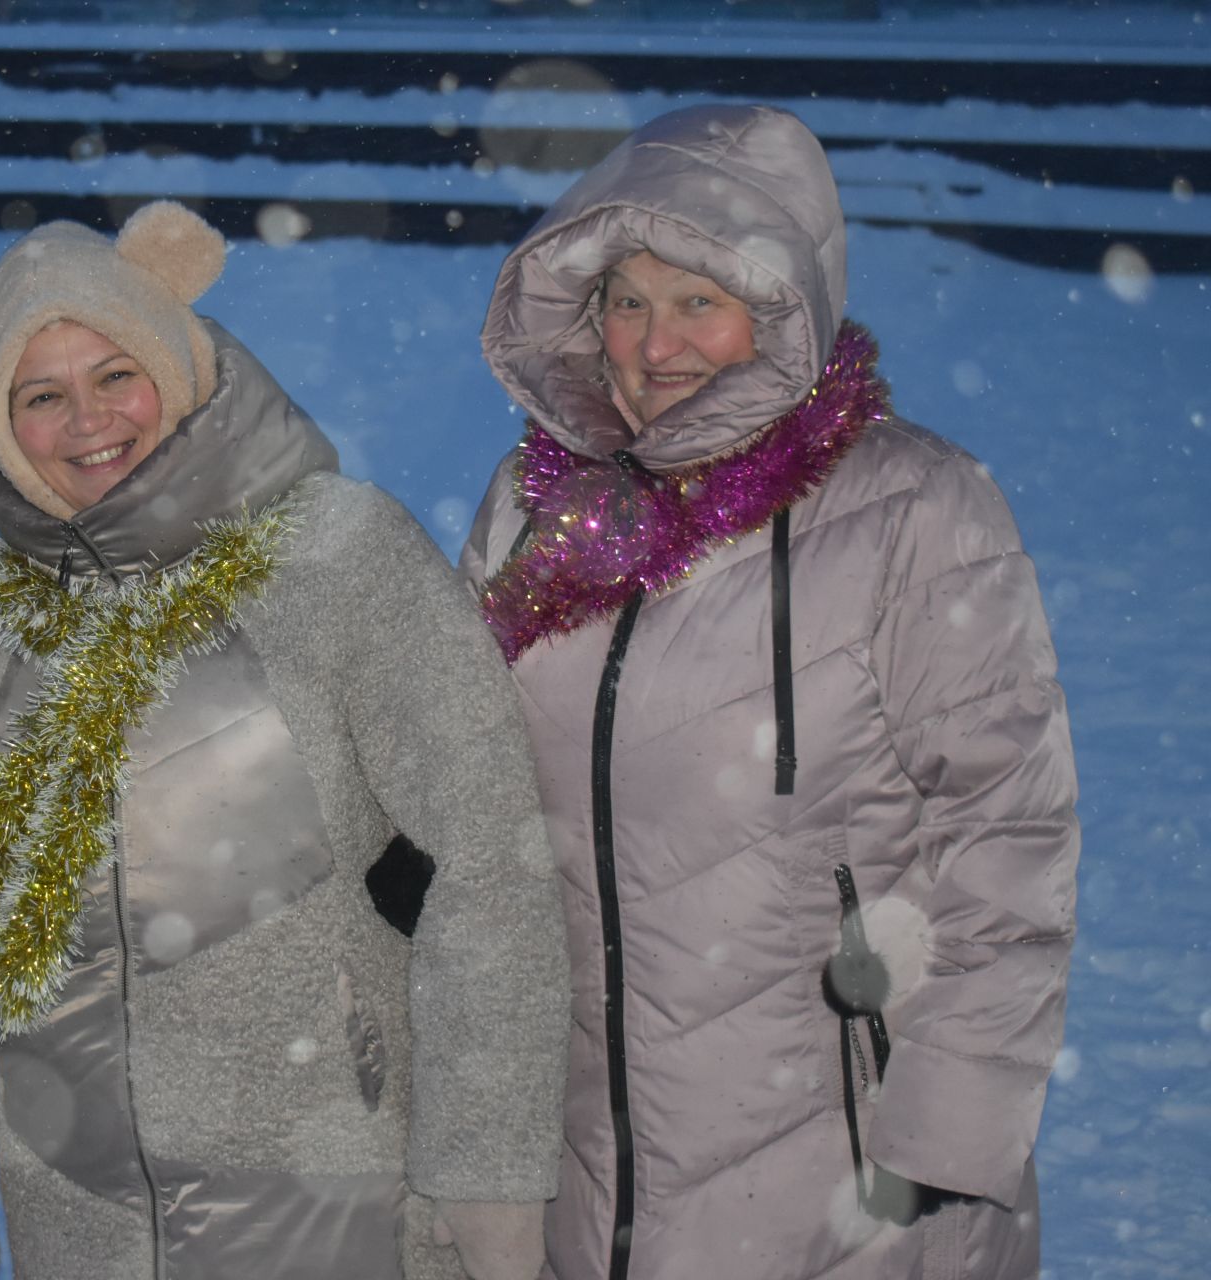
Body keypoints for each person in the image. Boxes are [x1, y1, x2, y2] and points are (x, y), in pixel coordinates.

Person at [0, 200, 570, 1280]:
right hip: (81, 1219)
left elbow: (491, 863)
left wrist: (486, 1162)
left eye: (116, 374)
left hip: (328, 1204)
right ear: (1, 427)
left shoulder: (339, 555)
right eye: (41, 396)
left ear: (181, 362)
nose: (86, 421)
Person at [461, 103, 1080, 1279]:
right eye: (628, 301)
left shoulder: (914, 511)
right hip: (592, 1182)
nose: (657, 342)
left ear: (783, 307)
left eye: (701, 299)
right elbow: (461, 768)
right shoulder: (538, 509)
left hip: (849, 1187)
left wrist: (942, 1148)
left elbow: (1007, 837)